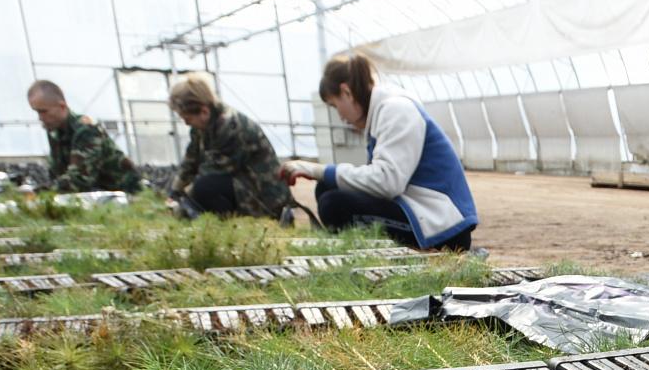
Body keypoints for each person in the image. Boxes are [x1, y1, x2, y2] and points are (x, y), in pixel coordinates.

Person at [278, 53, 478, 249]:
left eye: (334, 105)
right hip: (418, 208)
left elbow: (387, 182)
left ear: (346, 92)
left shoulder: (396, 110)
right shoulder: (383, 111)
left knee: (334, 204)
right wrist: (324, 176)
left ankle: (370, 252)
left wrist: (321, 171)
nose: (339, 115)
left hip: (442, 225)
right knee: (326, 188)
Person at [167, 72, 292, 220]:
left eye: (187, 119)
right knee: (201, 189)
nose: (187, 123)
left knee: (204, 188)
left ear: (204, 111)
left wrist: (184, 201)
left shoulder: (229, 126)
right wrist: (174, 193)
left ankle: (231, 230)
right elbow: (190, 161)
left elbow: (212, 172)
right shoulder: (202, 127)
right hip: (244, 188)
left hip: (266, 199)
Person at [27, 80, 141, 194]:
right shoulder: (55, 133)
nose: (40, 118)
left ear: (62, 106)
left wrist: (41, 193)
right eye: (37, 112)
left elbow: (80, 180)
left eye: (43, 112)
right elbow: (58, 174)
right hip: (99, 196)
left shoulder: (86, 131)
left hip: (127, 194)